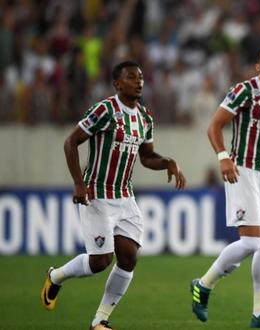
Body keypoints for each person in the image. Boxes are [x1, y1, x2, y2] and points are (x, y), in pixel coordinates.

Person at [41, 61, 186, 330]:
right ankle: (57, 276)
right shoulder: (105, 110)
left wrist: (168, 162)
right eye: (131, 77)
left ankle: (100, 321)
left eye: (141, 77)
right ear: (117, 84)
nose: (139, 81)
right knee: (100, 262)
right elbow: (70, 142)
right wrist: (78, 183)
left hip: (125, 196)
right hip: (96, 194)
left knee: (129, 257)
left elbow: (146, 157)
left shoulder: (145, 118)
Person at [190, 45, 260, 328]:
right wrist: (223, 158)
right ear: (258, 66)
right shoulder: (244, 91)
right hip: (243, 171)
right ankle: (203, 284)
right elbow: (214, 126)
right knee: (251, 242)